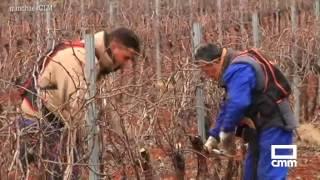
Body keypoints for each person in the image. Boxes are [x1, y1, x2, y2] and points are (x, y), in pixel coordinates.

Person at [18, 27, 140, 179]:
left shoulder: (97, 62)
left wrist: (133, 142)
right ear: (114, 47)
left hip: (57, 120)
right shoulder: (79, 59)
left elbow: (110, 109)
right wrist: (95, 150)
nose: (126, 64)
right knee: (64, 174)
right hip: (38, 120)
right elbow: (79, 109)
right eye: (126, 57)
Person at [193, 43, 298, 180]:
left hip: (278, 127)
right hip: (261, 127)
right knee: (251, 175)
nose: (208, 76)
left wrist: (226, 132)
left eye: (206, 71)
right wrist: (215, 136)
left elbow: (238, 103)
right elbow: (229, 105)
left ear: (214, 62)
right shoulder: (234, 67)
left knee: (272, 176)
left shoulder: (239, 68)